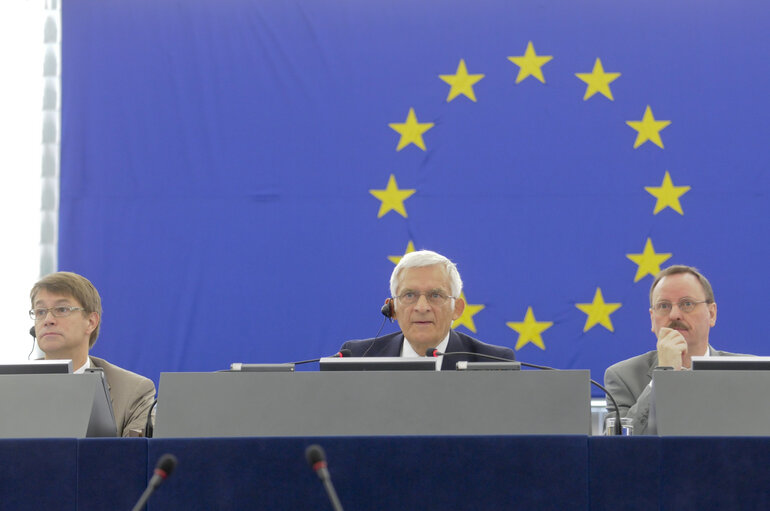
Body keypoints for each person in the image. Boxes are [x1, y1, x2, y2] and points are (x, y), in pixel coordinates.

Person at [604, 265, 744, 434]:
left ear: (712, 314)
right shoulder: (623, 377)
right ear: (652, 318)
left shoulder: (748, 373)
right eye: (664, 306)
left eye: (687, 303)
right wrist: (663, 374)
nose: (674, 315)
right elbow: (618, 450)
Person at [29, 271, 156, 437]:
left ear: (91, 322)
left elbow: (132, 460)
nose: (48, 319)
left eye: (61, 309)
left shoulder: (132, 392)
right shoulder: (9, 387)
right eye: (40, 311)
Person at [341, 250, 514, 369]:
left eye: (435, 295)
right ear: (392, 308)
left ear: (458, 308)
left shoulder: (492, 362)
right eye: (409, 295)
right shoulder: (359, 357)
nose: (422, 307)